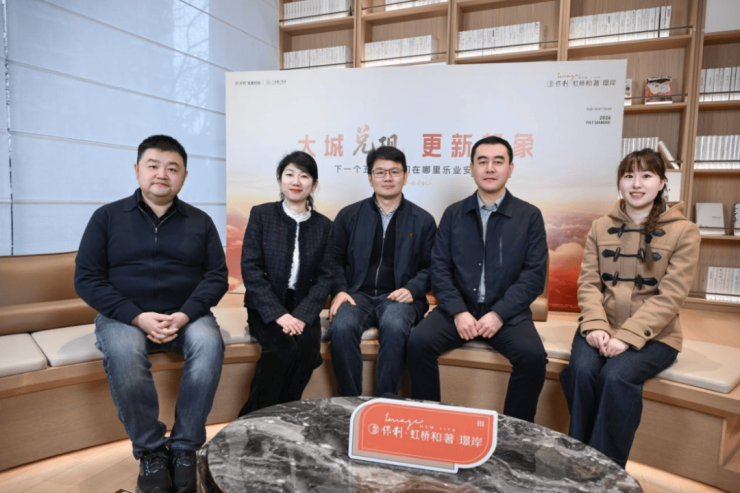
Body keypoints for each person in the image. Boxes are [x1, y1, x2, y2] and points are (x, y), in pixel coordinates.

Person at [75, 135, 228, 493]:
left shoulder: (201, 221)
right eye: (153, 165)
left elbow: (216, 277)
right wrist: (136, 316)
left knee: (209, 344)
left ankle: (186, 447)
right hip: (124, 316)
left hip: (186, 315)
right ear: (137, 170)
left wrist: (186, 314)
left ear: (184, 176)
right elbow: (87, 278)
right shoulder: (107, 217)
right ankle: (151, 451)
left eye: (172, 168)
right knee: (124, 353)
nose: (162, 174)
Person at [560, 149, 700, 468]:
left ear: (661, 183)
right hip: (601, 327)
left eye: (646, 176)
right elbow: (588, 283)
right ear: (619, 183)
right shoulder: (600, 227)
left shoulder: (685, 231)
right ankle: (577, 460)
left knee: (615, 377)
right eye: (629, 176)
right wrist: (595, 325)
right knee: (580, 371)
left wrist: (627, 336)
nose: (637, 184)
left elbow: (672, 296)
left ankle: (605, 471)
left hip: (656, 336)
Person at [407, 136, 548, 422]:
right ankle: (429, 423)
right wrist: (458, 312)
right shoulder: (453, 214)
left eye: (498, 161)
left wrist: (499, 314)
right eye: (482, 162)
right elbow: (439, 268)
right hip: (458, 310)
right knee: (418, 342)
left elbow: (533, 275)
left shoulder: (529, 216)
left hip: (507, 314)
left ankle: (515, 435)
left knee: (533, 357)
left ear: (510, 168)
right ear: (472, 168)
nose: (490, 168)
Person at [328, 146, 437, 397]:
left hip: (400, 297)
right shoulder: (348, 215)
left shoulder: (423, 220)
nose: (387, 178)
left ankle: (386, 402)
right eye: (380, 172)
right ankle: (349, 401)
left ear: (405, 176)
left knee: (396, 325)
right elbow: (333, 261)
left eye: (394, 172)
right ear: (370, 178)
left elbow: (432, 266)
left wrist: (412, 289)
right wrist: (340, 290)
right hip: (356, 295)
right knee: (341, 327)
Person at [238, 151, 333, 416]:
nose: (296, 181)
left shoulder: (325, 226)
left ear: (314, 184)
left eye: (304, 176)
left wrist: (302, 315)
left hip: (303, 305)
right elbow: (251, 268)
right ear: (280, 180)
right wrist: (278, 314)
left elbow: (325, 276)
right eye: (290, 174)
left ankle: (284, 416)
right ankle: (252, 418)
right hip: (265, 304)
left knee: (307, 351)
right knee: (281, 349)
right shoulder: (262, 214)